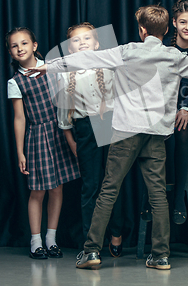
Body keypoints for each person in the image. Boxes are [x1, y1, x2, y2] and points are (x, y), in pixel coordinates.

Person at [24, 5, 188, 270]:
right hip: (156, 133)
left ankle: (91, 253)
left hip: (126, 132)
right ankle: (160, 256)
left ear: (142, 30)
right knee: (158, 195)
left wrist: (47, 66)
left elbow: (85, 60)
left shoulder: (126, 51)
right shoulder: (175, 56)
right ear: (167, 30)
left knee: (108, 190)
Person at [6, 27, 80, 259]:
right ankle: (35, 241)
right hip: (38, 137)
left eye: (24, 43)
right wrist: (20, 151)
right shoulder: (15, 82)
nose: (20, 48)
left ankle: (51, 239)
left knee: (57, 189)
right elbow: (20, 118)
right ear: (10, 51)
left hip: (61, 131)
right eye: (14, 46)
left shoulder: (52, 67)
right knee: (38, 191)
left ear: (35, 46)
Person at [57, 22, 124, 257]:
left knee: (112, 183)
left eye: (87, 39)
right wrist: (72, 143)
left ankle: (116, 232)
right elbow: (64, 117)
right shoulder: (65, 75)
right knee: (90, 187)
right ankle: (90, 244)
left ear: (96, 44)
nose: (82, 42)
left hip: (111, 125)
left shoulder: (109, 66)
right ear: (70, 48)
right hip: (84, 129)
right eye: (76, 40)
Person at [142, 0, 188, 225]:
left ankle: (178, 197)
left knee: (181, 130)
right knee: (156, 136)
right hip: (161, 109)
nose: (187, 27)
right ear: (174, 23)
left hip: (186, 112)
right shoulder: (164, 51)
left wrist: (185, 110)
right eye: (183, 22)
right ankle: (151, 199)